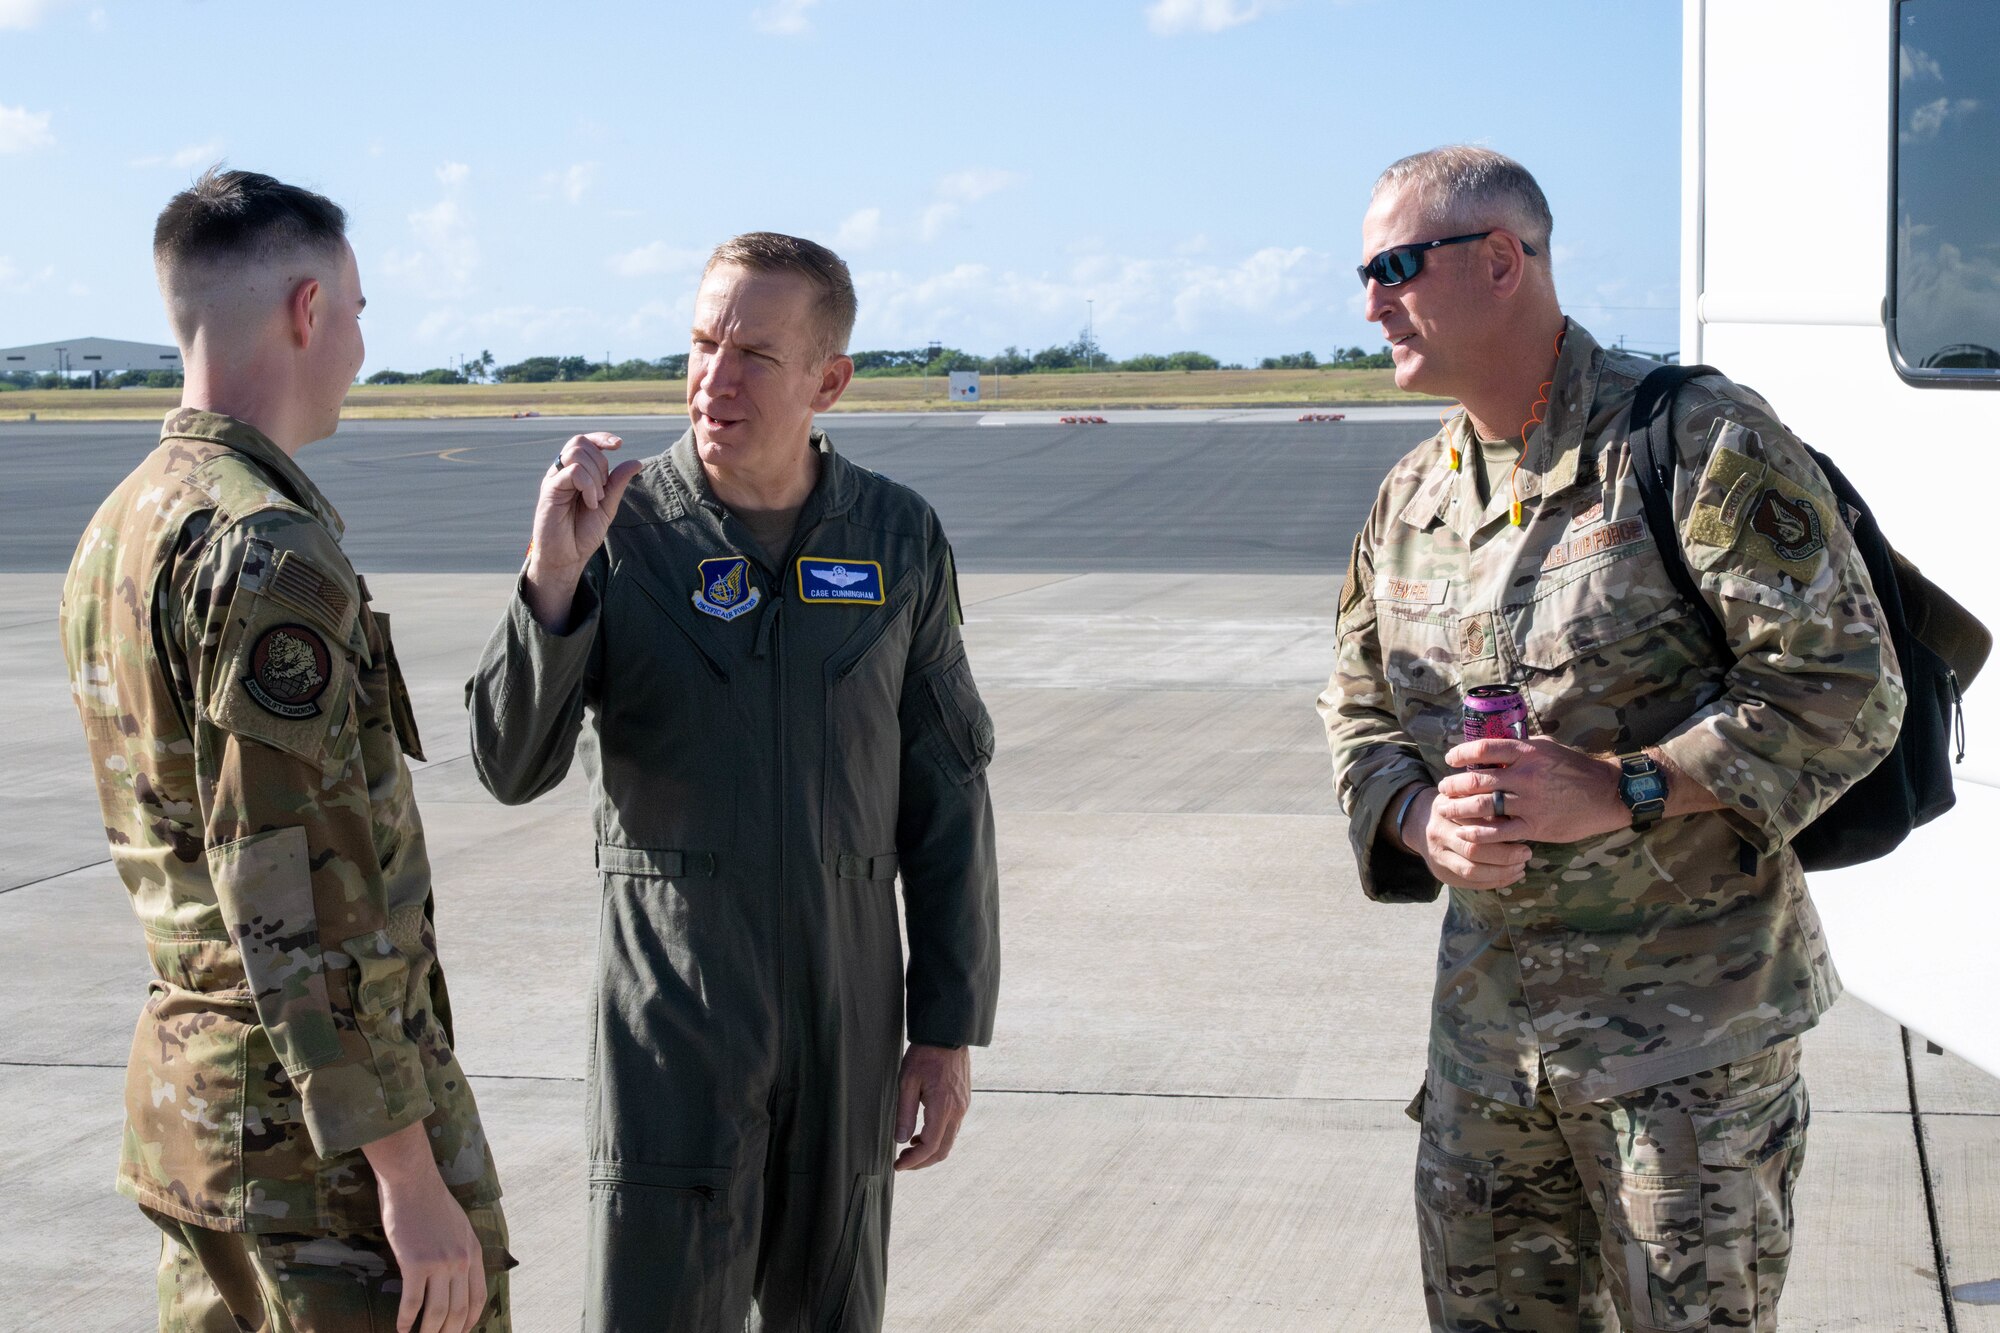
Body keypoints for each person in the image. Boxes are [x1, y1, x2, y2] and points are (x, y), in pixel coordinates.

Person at [1317, 146, 1904, 1333]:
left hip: (1685, 1059)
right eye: (1363, 272)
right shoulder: (1410, 500)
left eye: (1392, 266)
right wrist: (1413, 815)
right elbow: (1356, 707)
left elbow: (1844, 686)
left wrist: (1628, 786)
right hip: (1488, 1051)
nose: (1368, 300)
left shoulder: (1689, 441)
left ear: (1498, 262)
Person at [466, 231, 1000, 1331]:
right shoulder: (620, 530)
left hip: (847, 1011)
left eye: (755, 352)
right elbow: (510, 764)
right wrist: (552, 580)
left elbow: (946, 793)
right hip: (673, 1015)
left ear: (828, 380)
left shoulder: (896, 538)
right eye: (703, 342)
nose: (715, 378)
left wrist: (944, 1029)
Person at [59, 169, 510, 1333]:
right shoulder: (269, 549)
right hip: (320, 1153)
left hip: (201, 1108)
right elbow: (284, 883)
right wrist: (407, 1177)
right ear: (307, 309)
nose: (359, 344)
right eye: (356, 313)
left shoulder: (124, 525)